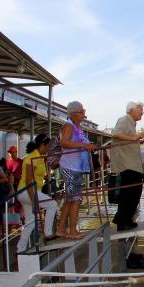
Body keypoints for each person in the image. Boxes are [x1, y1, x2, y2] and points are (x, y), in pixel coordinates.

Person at [55, 101, 95, 239]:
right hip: (70, 167)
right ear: (74, 113)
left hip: (75, 167)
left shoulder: (76, 127)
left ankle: (61, 229)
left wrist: (86, 145)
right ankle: (72, 230)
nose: (84, 115)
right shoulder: (68, 126)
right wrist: (84, 145)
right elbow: (64, 142)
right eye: (82, 112)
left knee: (71, 199)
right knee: (76, 199)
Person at [17, 135, 58, 251]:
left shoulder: (39, 157)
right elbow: (29, 181)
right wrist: (34, 200)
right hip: (27, 191)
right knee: (52, 205)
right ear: (42, 145)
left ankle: (20, 249)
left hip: (27, 192)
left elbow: (51, 166)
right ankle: (48, 233)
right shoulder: (32, 158)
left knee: (31, 222)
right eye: (48, 146)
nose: (49, 149)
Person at [111, 101, 144, 231]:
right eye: (140, 110)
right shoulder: (125, 119)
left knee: (134, 193)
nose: (142, 112)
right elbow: (115, 134)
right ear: (132, 110)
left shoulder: (131, 123)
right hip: (127, 165)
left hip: (132, 164)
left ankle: (125, 219)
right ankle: (122, 220)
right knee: (129, 193)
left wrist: (136, 138)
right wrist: (134, 138)